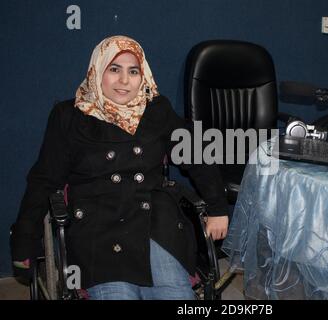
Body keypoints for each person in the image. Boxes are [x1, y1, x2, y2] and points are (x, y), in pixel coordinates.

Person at [9, 35, 229, 300]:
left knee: (175, 293)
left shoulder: (157, 110)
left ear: (143, 75)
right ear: (98, 70)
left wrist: (217, 208)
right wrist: (25, 240)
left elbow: (196, 155)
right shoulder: (69, 116)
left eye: (133, 71)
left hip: (155, 224)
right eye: (115, 69)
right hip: (97, 228)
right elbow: (44, 179)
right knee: (117, 294)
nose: (125, 81)